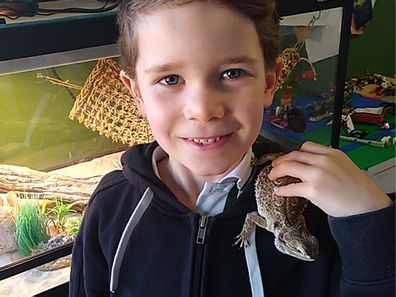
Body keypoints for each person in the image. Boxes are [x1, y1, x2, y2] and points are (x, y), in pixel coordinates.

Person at [69, 0, 395, 296]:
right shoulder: (109, 209)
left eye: (232, 73)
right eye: (170, 79)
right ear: (136, 92)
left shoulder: (324, 210)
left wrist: (369, 222)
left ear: (270, 82)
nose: (203, 109)